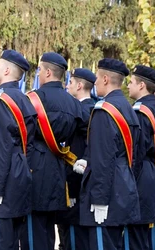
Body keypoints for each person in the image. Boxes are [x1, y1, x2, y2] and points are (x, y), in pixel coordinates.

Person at [76, 58, 140, 250]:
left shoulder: (104, 111)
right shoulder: (128, 108)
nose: (94, 82)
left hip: (107, 194)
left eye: (96, 77)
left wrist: (99, 199)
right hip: (122, 187)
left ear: (105, 79)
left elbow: (103, 160)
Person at [0, 49, 37, 250]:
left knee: (0, 243)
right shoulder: (23, 99)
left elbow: (0, 148)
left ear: (7, 70)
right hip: (19, 174)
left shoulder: (1, 100)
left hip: (4, 179)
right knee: (11, 242)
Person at [23, 52, 83, 250]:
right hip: (58, 171)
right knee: (49, 234)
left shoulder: (33, 99)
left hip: (34, 169)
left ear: (48, 72)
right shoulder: (74, 104)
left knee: (32, 233)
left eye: (40, 70)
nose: (38, 74)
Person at [126, 65, 155, 249]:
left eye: (131, 82)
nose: (128, 86)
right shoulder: (154, 109)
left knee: (135, 241)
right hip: (150, 174)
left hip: (140, 178)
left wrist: (127, 184)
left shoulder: (141, 112)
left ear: (141, 85)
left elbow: (136, 153)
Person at [60, 68, 96, 250]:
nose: (67, 86)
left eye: (71, 82)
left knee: (74, 239)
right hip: (73, 182)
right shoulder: (82, 108)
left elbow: (84, 150)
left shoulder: (86, 110)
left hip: (76, 182)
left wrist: (72, 187)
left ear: (80, 85)